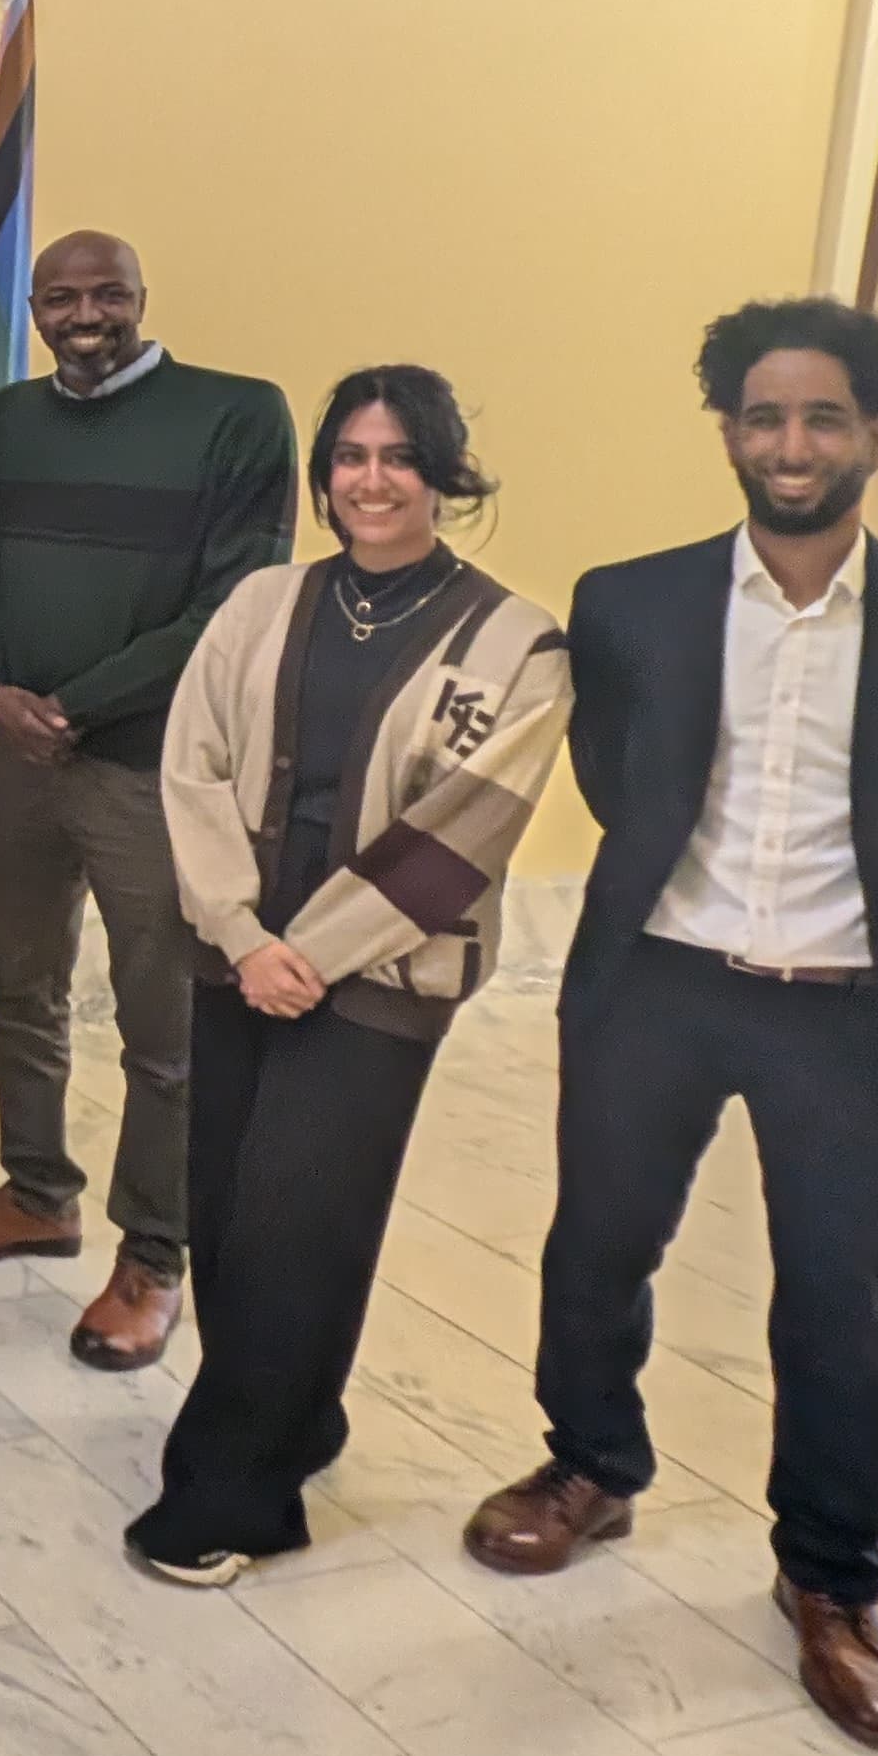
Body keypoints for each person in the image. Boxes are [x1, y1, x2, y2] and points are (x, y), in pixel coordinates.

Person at [465, 302, 878, 1756]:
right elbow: (622, 780)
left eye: (821, 419)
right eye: (762, 416)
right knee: (598, 1243)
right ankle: (590, 1466)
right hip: (659, 983)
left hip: (856, 1014)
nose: (789, 445)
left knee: (841, 1303)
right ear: (729, 430)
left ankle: (832, 1578)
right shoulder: (633, 599)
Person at [124, 366, 571, 1586]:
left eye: (399, 458)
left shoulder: (515, 641)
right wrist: (239, 933)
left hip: (379, 980)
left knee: (294, 1226)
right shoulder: (262, 603)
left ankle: (231, 1497)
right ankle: (299, 1417)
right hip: (238, 958)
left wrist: (306, 957)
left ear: (444, 473)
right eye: (351, 458)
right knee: (222, 1210)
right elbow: (193, 766)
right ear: (324, 475)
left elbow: (464, 830)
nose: (372, 481)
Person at [0, 231, 296, 1373]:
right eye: (60, 296)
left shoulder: (239, 414)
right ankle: (37, 1191)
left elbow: (236, 601)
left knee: (162, 1029)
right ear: (32, 306)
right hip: (25, 759)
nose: (84, 314)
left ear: (142, 297)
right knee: (19, 988)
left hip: (150, 768)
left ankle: (154, 1257)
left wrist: (70, 704)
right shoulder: (17, 417)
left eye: (107, 294)